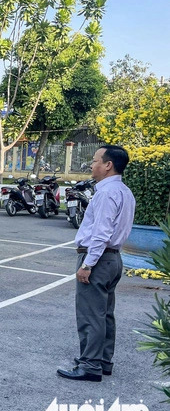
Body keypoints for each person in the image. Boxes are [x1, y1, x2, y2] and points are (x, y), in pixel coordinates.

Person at [57, 145, 136, 382]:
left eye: (94, 161)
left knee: (91, 314)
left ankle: (90, 365)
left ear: (108, 165)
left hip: (99, 259)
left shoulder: (106, 193)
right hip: (113, 258)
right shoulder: (125, 191)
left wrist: (88, 264)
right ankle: (102, 360)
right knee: (105, 313)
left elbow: (101, 233)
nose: (92, 165)